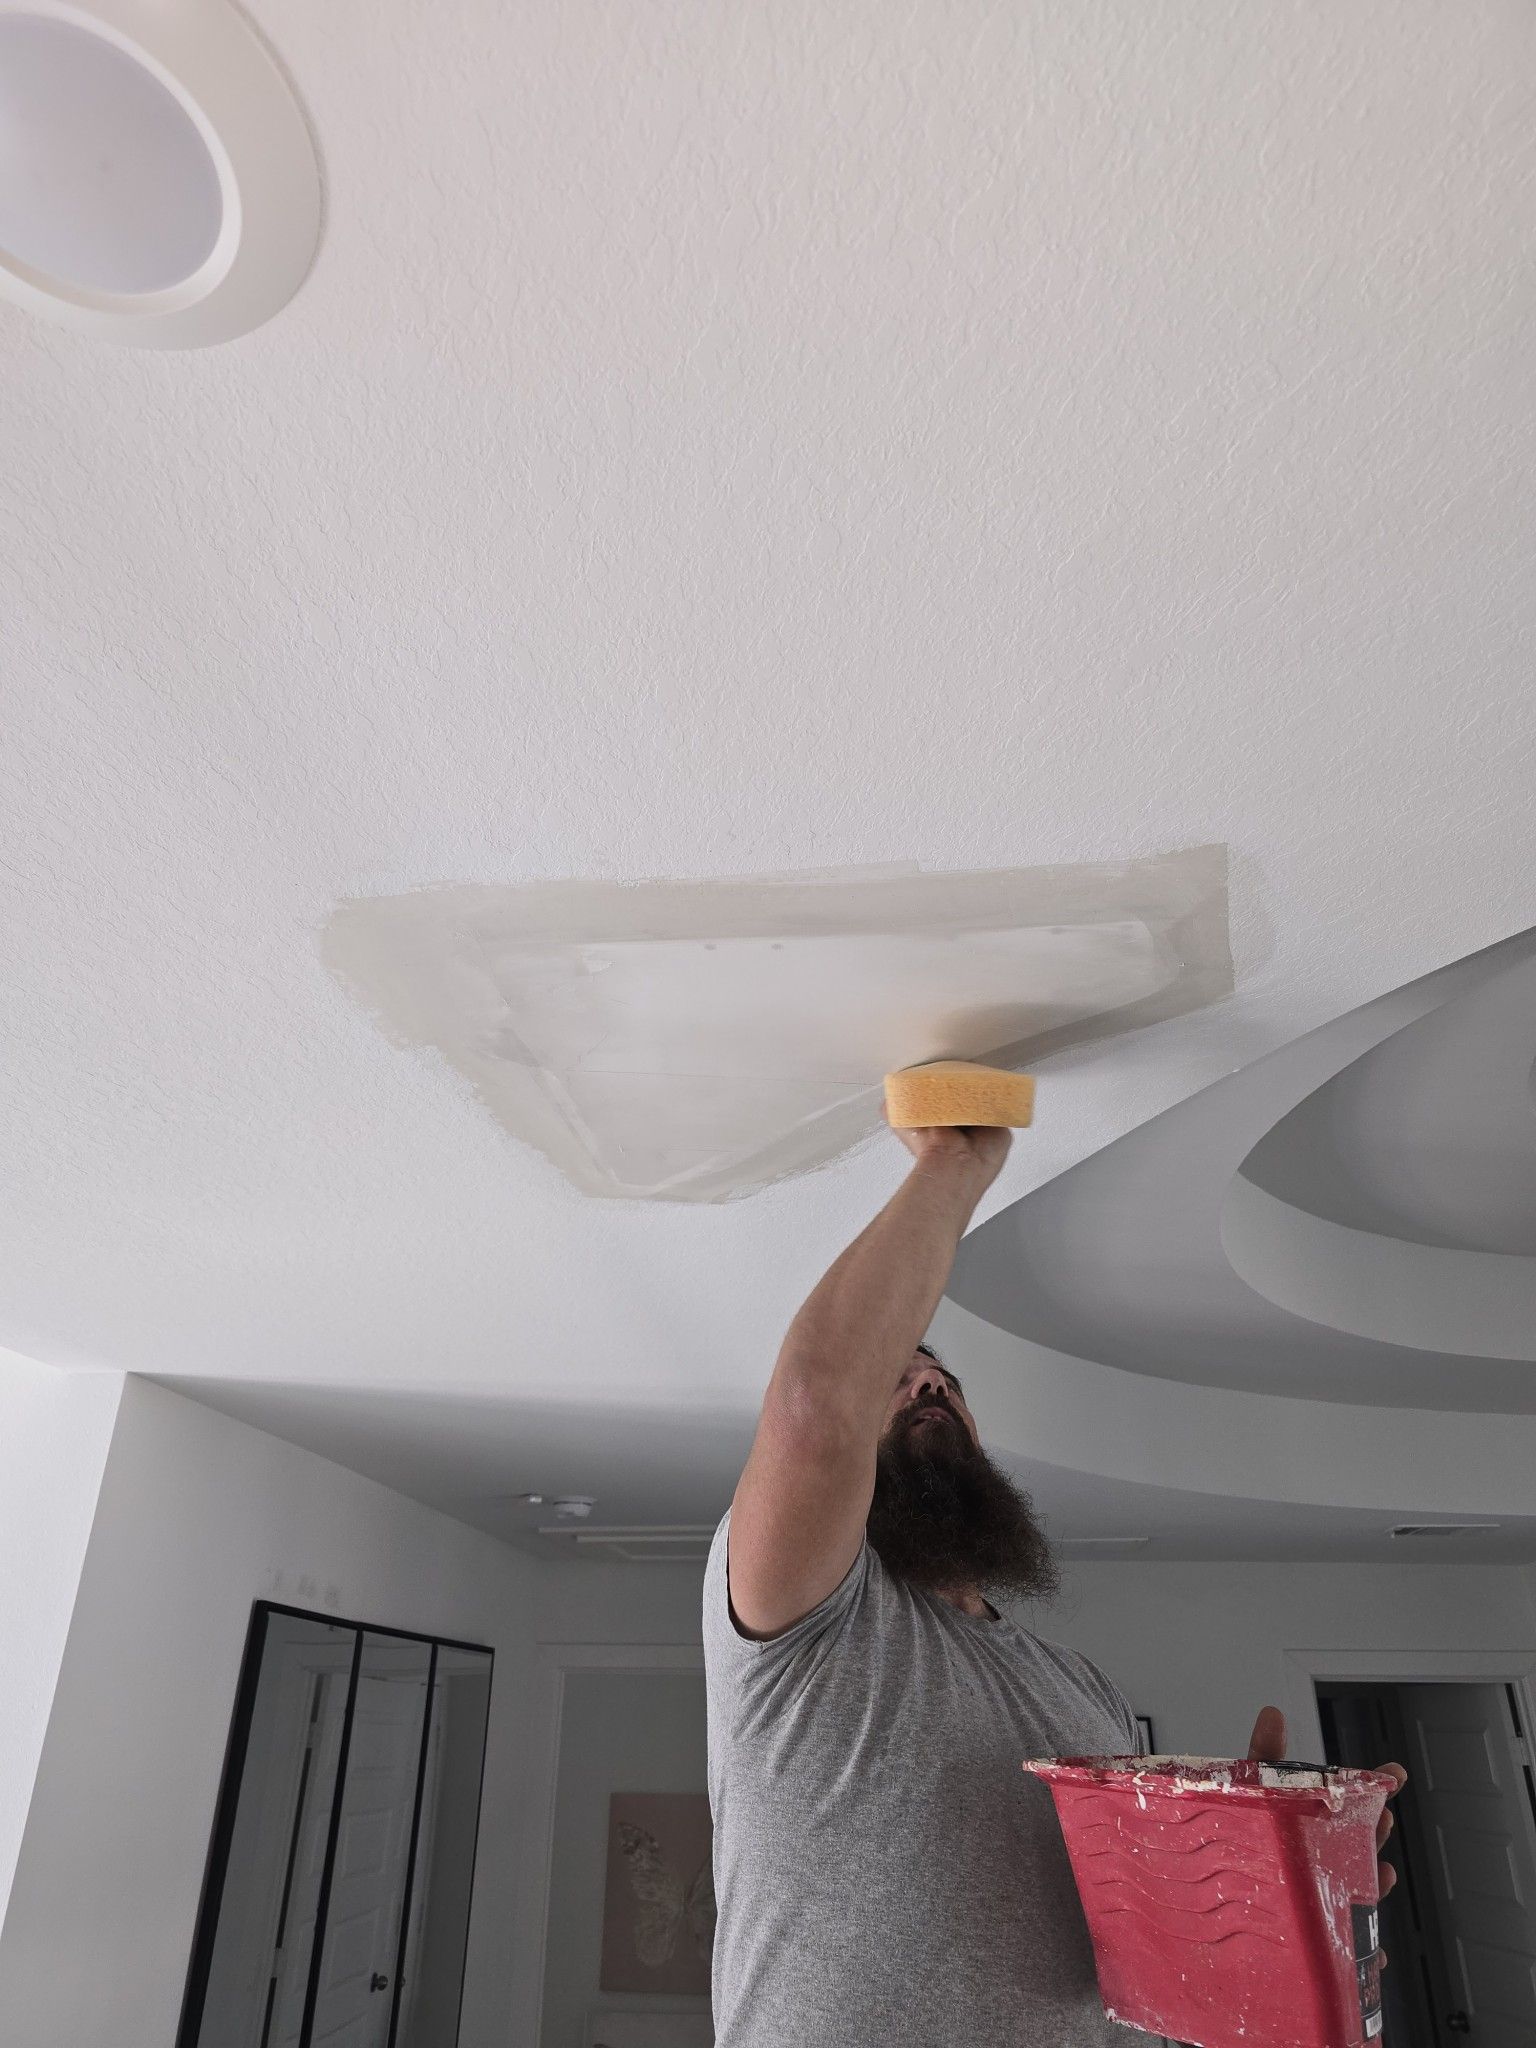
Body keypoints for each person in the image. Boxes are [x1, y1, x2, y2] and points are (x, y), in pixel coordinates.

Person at [703, 1116, 1404, 2045]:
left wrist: (1275, 1885)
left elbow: (1148, 1961)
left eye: (944, 1381)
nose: (929, 1387)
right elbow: (811, 1411)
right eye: (898, 1378)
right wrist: (958, 1160)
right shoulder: (809, 1630)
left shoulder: (1083, 1692)